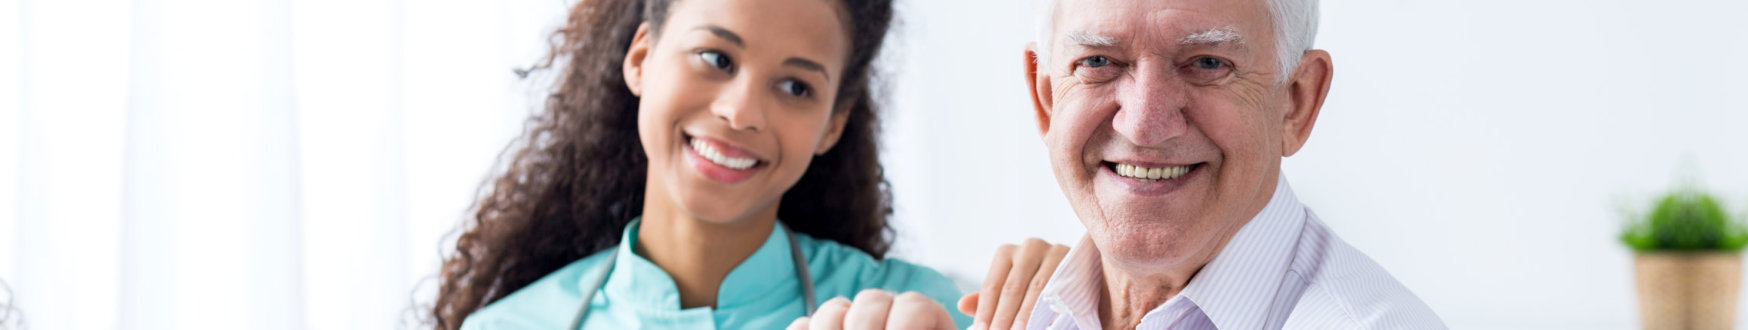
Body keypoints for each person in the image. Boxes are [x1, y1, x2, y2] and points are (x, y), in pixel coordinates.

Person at [428, 0, 996, 328]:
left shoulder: (925, 314)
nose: (741, 111)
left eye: (795, 86)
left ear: (833, 125)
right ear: (642, 59)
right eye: (716, 58)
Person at [977, 0, 1450, 328]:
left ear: (1295, 102)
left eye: (1207, 63)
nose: (1145, 124)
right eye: (1099, 60)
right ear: (1047, 99)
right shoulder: (1011, 310)